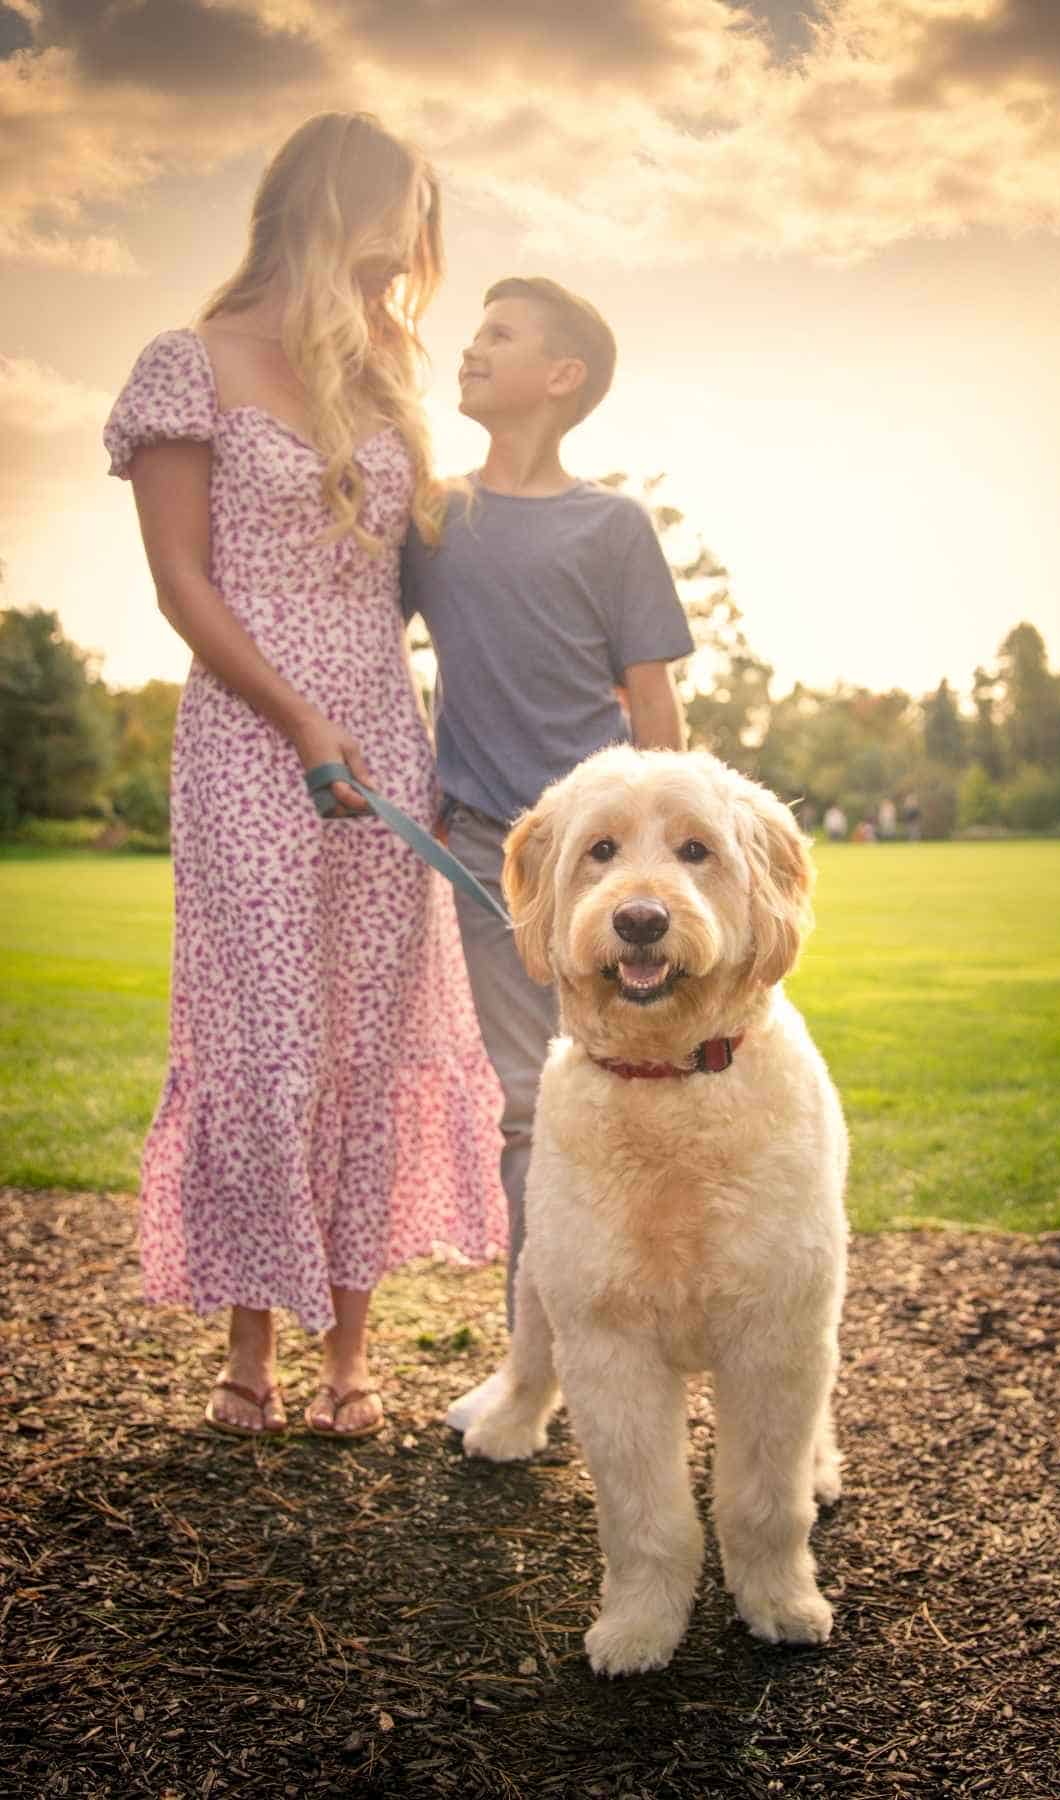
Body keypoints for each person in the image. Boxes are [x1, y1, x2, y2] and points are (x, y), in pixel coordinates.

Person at [103, 112, 506, 1441]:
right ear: (326, 205)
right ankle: (245, 1360)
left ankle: (347, 1362)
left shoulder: (389, 369)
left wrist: (455, 739)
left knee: (365, 1043)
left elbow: (420, 579)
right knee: (270, 1043)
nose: (410, 246)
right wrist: (299, 721)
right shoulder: (189, 364)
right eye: (395, 211)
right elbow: (181, 585)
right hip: (246, 735)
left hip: (384, 741)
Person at [400, 276, 693, 1430]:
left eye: (499, 337)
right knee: (530, 1110)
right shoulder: (433, 520)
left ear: (561, 377)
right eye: (471, 334)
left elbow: (654, 709)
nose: (469, 351)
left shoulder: (613, 526)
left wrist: (658, 872)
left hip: (603, 867)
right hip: (491, 865)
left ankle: (663, 1314)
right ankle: (541, 1367)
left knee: (643, 1097)